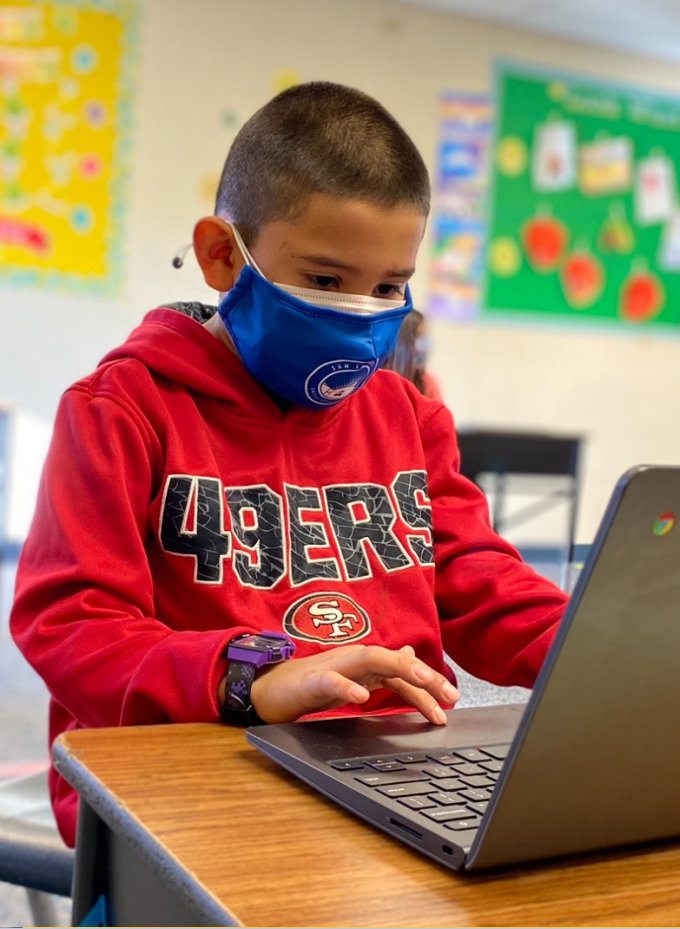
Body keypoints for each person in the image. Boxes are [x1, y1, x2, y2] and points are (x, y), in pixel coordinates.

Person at [10, 83, 568, 848]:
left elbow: (477, 580)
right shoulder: (119, 409)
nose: (360, 312)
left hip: (386, 774)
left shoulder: (409, 417)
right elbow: (72, 624)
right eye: (325, 280)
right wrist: (249, 676)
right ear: (221, 255)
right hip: (186, 785)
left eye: (388, 286)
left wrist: (601, 648)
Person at [382, 308, 443, 400]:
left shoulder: (427, 383)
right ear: (400, 341)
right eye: (419, 336)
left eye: (425, 336)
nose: (424, 344)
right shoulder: (372, 379)